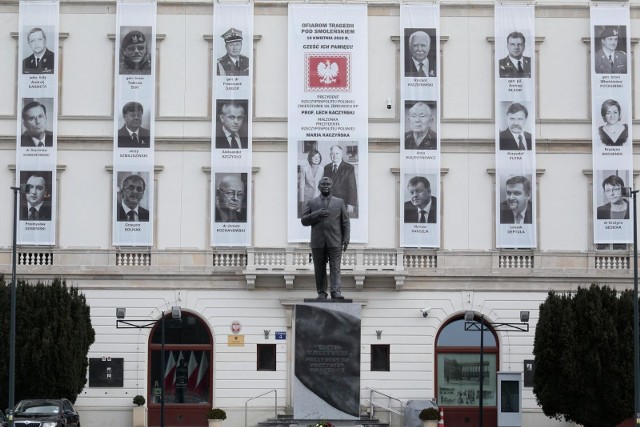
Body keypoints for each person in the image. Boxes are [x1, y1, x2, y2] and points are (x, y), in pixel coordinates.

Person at [301, 177, 350, 300]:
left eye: (328, 184)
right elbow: (304, 221)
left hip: (335, 241)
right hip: (318, 241)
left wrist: (346, 239)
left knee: (335, 267)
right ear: (319, 187)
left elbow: (345, 222)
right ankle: (321, 292)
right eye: (323, 184)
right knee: (319, 268)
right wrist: (317, 214)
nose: (326, 186)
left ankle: (335, 291)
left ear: (332, 187)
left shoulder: (339, 202)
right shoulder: (312, 203)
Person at [323, 145, 357, 216]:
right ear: (330, 155)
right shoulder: (327, 167)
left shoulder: (349, 168)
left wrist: (351, 204)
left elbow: (352, 187)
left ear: (341, 154)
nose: (334, 155)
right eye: (332, 154)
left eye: (337, 153)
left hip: (343, 202)